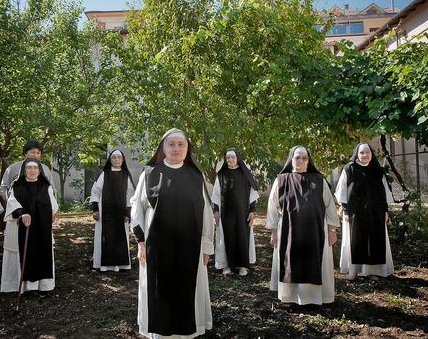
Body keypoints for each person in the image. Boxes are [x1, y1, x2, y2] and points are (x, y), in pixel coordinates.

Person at [131, 128, 214, 338]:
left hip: (191, 246)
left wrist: (206, 245)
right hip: (157, 247)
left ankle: (187, 333)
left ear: (187, 149)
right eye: (171, 144)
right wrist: (140, 242)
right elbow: (137, 207)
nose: (176, 148)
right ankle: (159, 333)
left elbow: (205, 212)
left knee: (188, 289)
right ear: (163, 147)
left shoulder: (195, 176)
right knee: (159, 289)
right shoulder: (149, 173)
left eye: (181, 144)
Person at [266, 145, 340, 306]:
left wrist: (332, 230)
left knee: (313, 262)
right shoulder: (281, 180)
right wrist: (273, 232)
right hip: (289, 231)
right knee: (291, 262)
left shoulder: (319, 179)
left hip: (315, 231)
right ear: (291, 159)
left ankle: (314, 299)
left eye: (304, 158)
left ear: (308, 160)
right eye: (297, 158)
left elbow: (329, 206)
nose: (300, 161)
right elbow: (272, 207)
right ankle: (291, 298)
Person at [334, 143, 394, 281]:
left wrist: (385, 210)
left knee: (375, 240)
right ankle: (353, 270)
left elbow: (383, 192)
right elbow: (342, 191)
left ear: (371, 154)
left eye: (367, 152)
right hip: (355, 213)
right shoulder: (349, 169)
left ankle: (372, 271)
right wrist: (345, 210)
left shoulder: (378, 171)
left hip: (375, 212)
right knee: (354, 241)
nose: (365, 155)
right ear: (357, 154)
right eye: (362, 153)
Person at [0, 158, 58, 297]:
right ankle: (22, 286)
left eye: (35, 168)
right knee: (22, 253)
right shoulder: (16, 186)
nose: (32, 171)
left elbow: (52, 206)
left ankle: (42, 286)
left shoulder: (46, 186)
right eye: (29, 168)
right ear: (24, 170)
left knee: (42, 252)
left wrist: (52, 213)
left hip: (41, 228)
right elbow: (12, 204)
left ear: (39, 170)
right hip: (20, 227)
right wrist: (22, 213)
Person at [212, 148, 259, 276]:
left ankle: (242, 265)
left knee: (242, 236)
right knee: (226, 236)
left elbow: (252, 194)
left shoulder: (245, 174)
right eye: (228, 158)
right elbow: (216, 194)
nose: (230, 160)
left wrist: (252, 211)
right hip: (225, 212)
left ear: (237, 158)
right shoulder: (221, 175)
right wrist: (216, 211)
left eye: (232, 157)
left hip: (242, 212)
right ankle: (225, 265)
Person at [90, 149, 135, 272]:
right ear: (110, 160)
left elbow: (130, 195)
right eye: (114, 157)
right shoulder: (105, 174)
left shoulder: (126, 176)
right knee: (104, 237)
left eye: (119, 158)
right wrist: (95, 209)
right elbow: (95, 191)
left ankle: (121, 265)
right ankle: (103, 265)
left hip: (120, 213)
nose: (116, 160)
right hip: (105, 213)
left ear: (123, 160)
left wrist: (127, 213)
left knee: (120, 238)